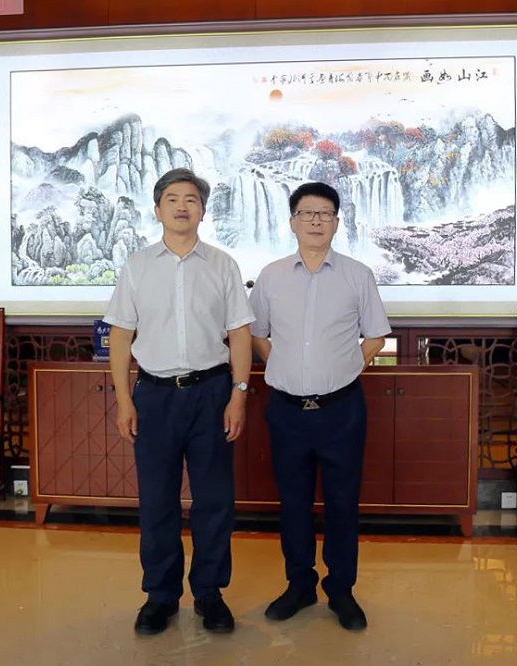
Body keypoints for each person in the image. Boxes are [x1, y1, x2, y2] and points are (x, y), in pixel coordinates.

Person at [104, 168, 254, 636]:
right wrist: (124, 400)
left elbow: (239, 333)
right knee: (157, 501)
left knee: (214, 500)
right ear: (158, 209)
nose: (182, 206)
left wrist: (239, 395)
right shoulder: (137, 266)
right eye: (172, 199)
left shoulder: (223, 265)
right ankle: (161, 596)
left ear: (203, 210)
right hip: (154, 396)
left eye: (191, 199)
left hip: (212, 393)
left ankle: (210, 593)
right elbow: (121, 336)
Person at [248, 181, 391, 631]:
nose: (316, 221)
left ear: (336, 222)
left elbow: (375, 336)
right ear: (292, 222)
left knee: (342, 503)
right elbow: (256, 333)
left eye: (325, 213)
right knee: (293, 503)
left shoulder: (357, 275)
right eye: (307, 213)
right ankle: (299, 585)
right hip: (286, 410)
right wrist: (282, 363)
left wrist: (345, 367)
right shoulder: (271, 276)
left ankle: (341, 590)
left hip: (341, 410)